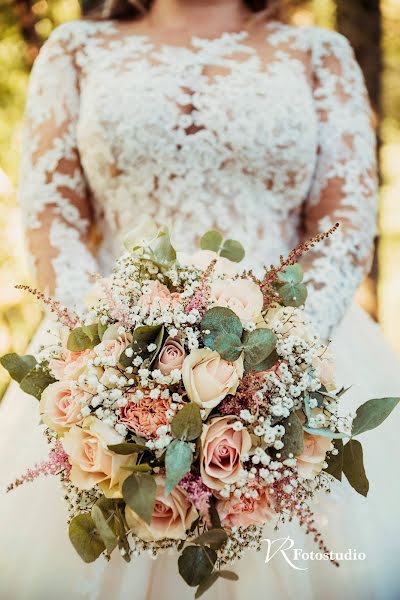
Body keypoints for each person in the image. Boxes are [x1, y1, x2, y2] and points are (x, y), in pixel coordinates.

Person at [0, 1, 399, 598]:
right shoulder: (76, 49)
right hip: (110, 353)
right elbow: (52, 212)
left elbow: (342, 219)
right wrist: (108, 354)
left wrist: (273, 363)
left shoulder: (319, 55)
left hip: (299, 348)